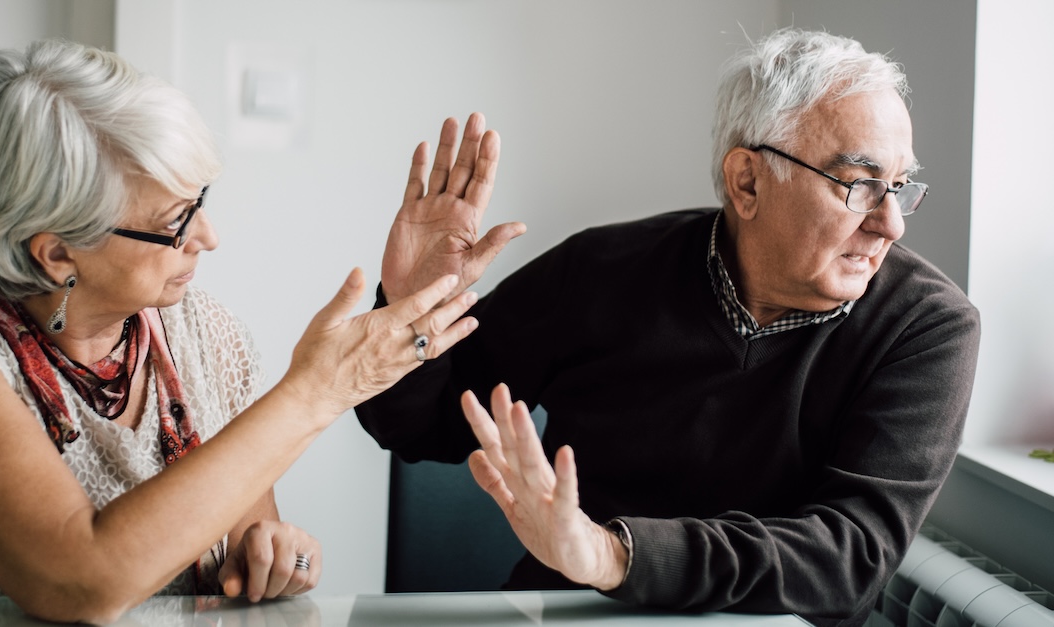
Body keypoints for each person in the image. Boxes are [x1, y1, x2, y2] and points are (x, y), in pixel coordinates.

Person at [356, 27, 980, 626]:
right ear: (748, 181)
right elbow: (420, 427)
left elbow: (848, 558)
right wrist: (410, 309)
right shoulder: (599, 271)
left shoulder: (927, 326)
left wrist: (614, 555)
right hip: (570, 615)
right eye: (860, 184)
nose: (891, 224)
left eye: (899, 186)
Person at [0, 40, 494, 624]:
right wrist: (316, 391)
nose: (209, 238)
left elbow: (249, 545)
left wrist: (279, 559)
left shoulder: (203, 334)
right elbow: (83, 582)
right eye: (174, 222)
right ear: (55, 254)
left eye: (201, 202)